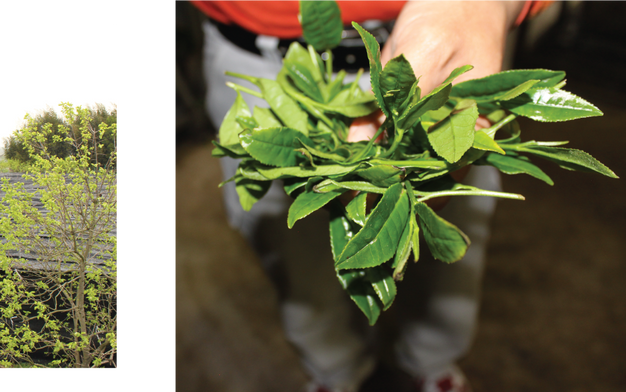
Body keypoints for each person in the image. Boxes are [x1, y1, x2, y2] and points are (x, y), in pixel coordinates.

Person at [191, 0, 555, 391]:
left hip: (445, 37)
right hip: (260, 57)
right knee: (295, 257)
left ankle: (433, 363)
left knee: (451, 239)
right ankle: (334, 371)